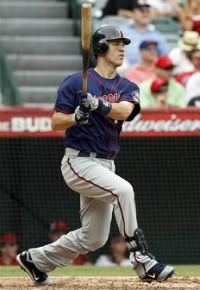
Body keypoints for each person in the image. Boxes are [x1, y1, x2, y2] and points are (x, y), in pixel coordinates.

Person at [16, 25, 175, 286]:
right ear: (100, 47)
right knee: (123, 191)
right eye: (115, 43)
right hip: (79, 161)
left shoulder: (127, 85)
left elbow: (126, 111)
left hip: (105, 164)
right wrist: (75, 117)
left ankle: (35, 260)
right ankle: (142, 260)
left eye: (123, 43)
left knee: (94, 238)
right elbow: (56, 122)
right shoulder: (75, 82)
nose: (123, 47)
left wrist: (99, 104)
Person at [121, 0, 169, 65]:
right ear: (133, 13)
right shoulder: (122, 32)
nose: (145, 14)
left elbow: (164, 58)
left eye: (148, 11)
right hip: (124, 70)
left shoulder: (157, 36)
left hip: (151, 72)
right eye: (142, 11)